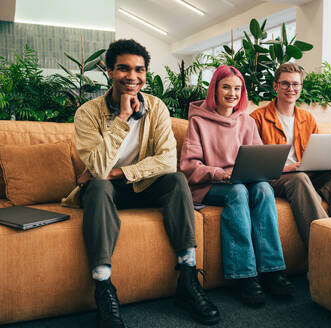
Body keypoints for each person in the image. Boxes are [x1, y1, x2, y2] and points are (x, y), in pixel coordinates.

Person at [64, 39, 220, 327]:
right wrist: (122, 118)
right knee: (97, 186)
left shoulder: (157, 108)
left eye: (139, 70)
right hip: (105, 193)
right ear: (109, 70)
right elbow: (97, 169)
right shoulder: (87, 113)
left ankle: (187, 279)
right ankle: (104, 288)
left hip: (141, 186)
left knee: (175, 180)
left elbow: (167, 161)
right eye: (123, 69)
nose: (132, 77)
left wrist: (117, 173)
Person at [180, 65, 294, 307]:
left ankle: (272, 270)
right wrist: (221, 174)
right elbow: (189, 167)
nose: (232, 93)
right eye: (226, 87)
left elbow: (258, 156)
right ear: (215, 89)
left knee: (264, 188)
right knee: (238, 191)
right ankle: (245, 275)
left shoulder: (246, 121)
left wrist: (258, 171)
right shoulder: (198, 121)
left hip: (243, 180)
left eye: (237, 88)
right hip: (210, 185)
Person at [250, 63, 331, 246]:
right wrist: (288, 167)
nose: (290, 89)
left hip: (305, 173)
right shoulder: (257, 118)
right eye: (285, 84)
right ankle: (323, 244)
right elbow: (256, 164)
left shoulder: (307, 118)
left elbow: (316, 152)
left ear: (301, 87)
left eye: (295, 84)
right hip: (277, 177)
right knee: (299, 178)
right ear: (275, 85)